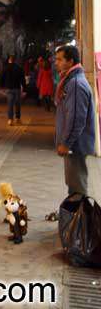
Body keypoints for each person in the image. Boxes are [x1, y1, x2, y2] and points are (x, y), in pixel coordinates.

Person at [55, 45, 95, 198]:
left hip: (75, 146)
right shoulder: (71, 80)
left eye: (60, 59)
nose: (56, 63)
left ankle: (80, 220)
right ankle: (76, 218)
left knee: (77, 187)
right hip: (74, 145)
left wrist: (66, 143)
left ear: (70, 61)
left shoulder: (75, 84)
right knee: (73, 185)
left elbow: (76, 119)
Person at [1, 55, 25, 125]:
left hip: (9, 88)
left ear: (9, 60)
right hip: (17, 88)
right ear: (15, 60)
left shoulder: (5, 68)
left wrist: (2, 86)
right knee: (17, 104)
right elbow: (22, 79)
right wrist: (24, 88)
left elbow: (2, 78)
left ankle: (10, 120)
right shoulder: (19, 68)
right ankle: (17, 119)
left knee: (10, 104)